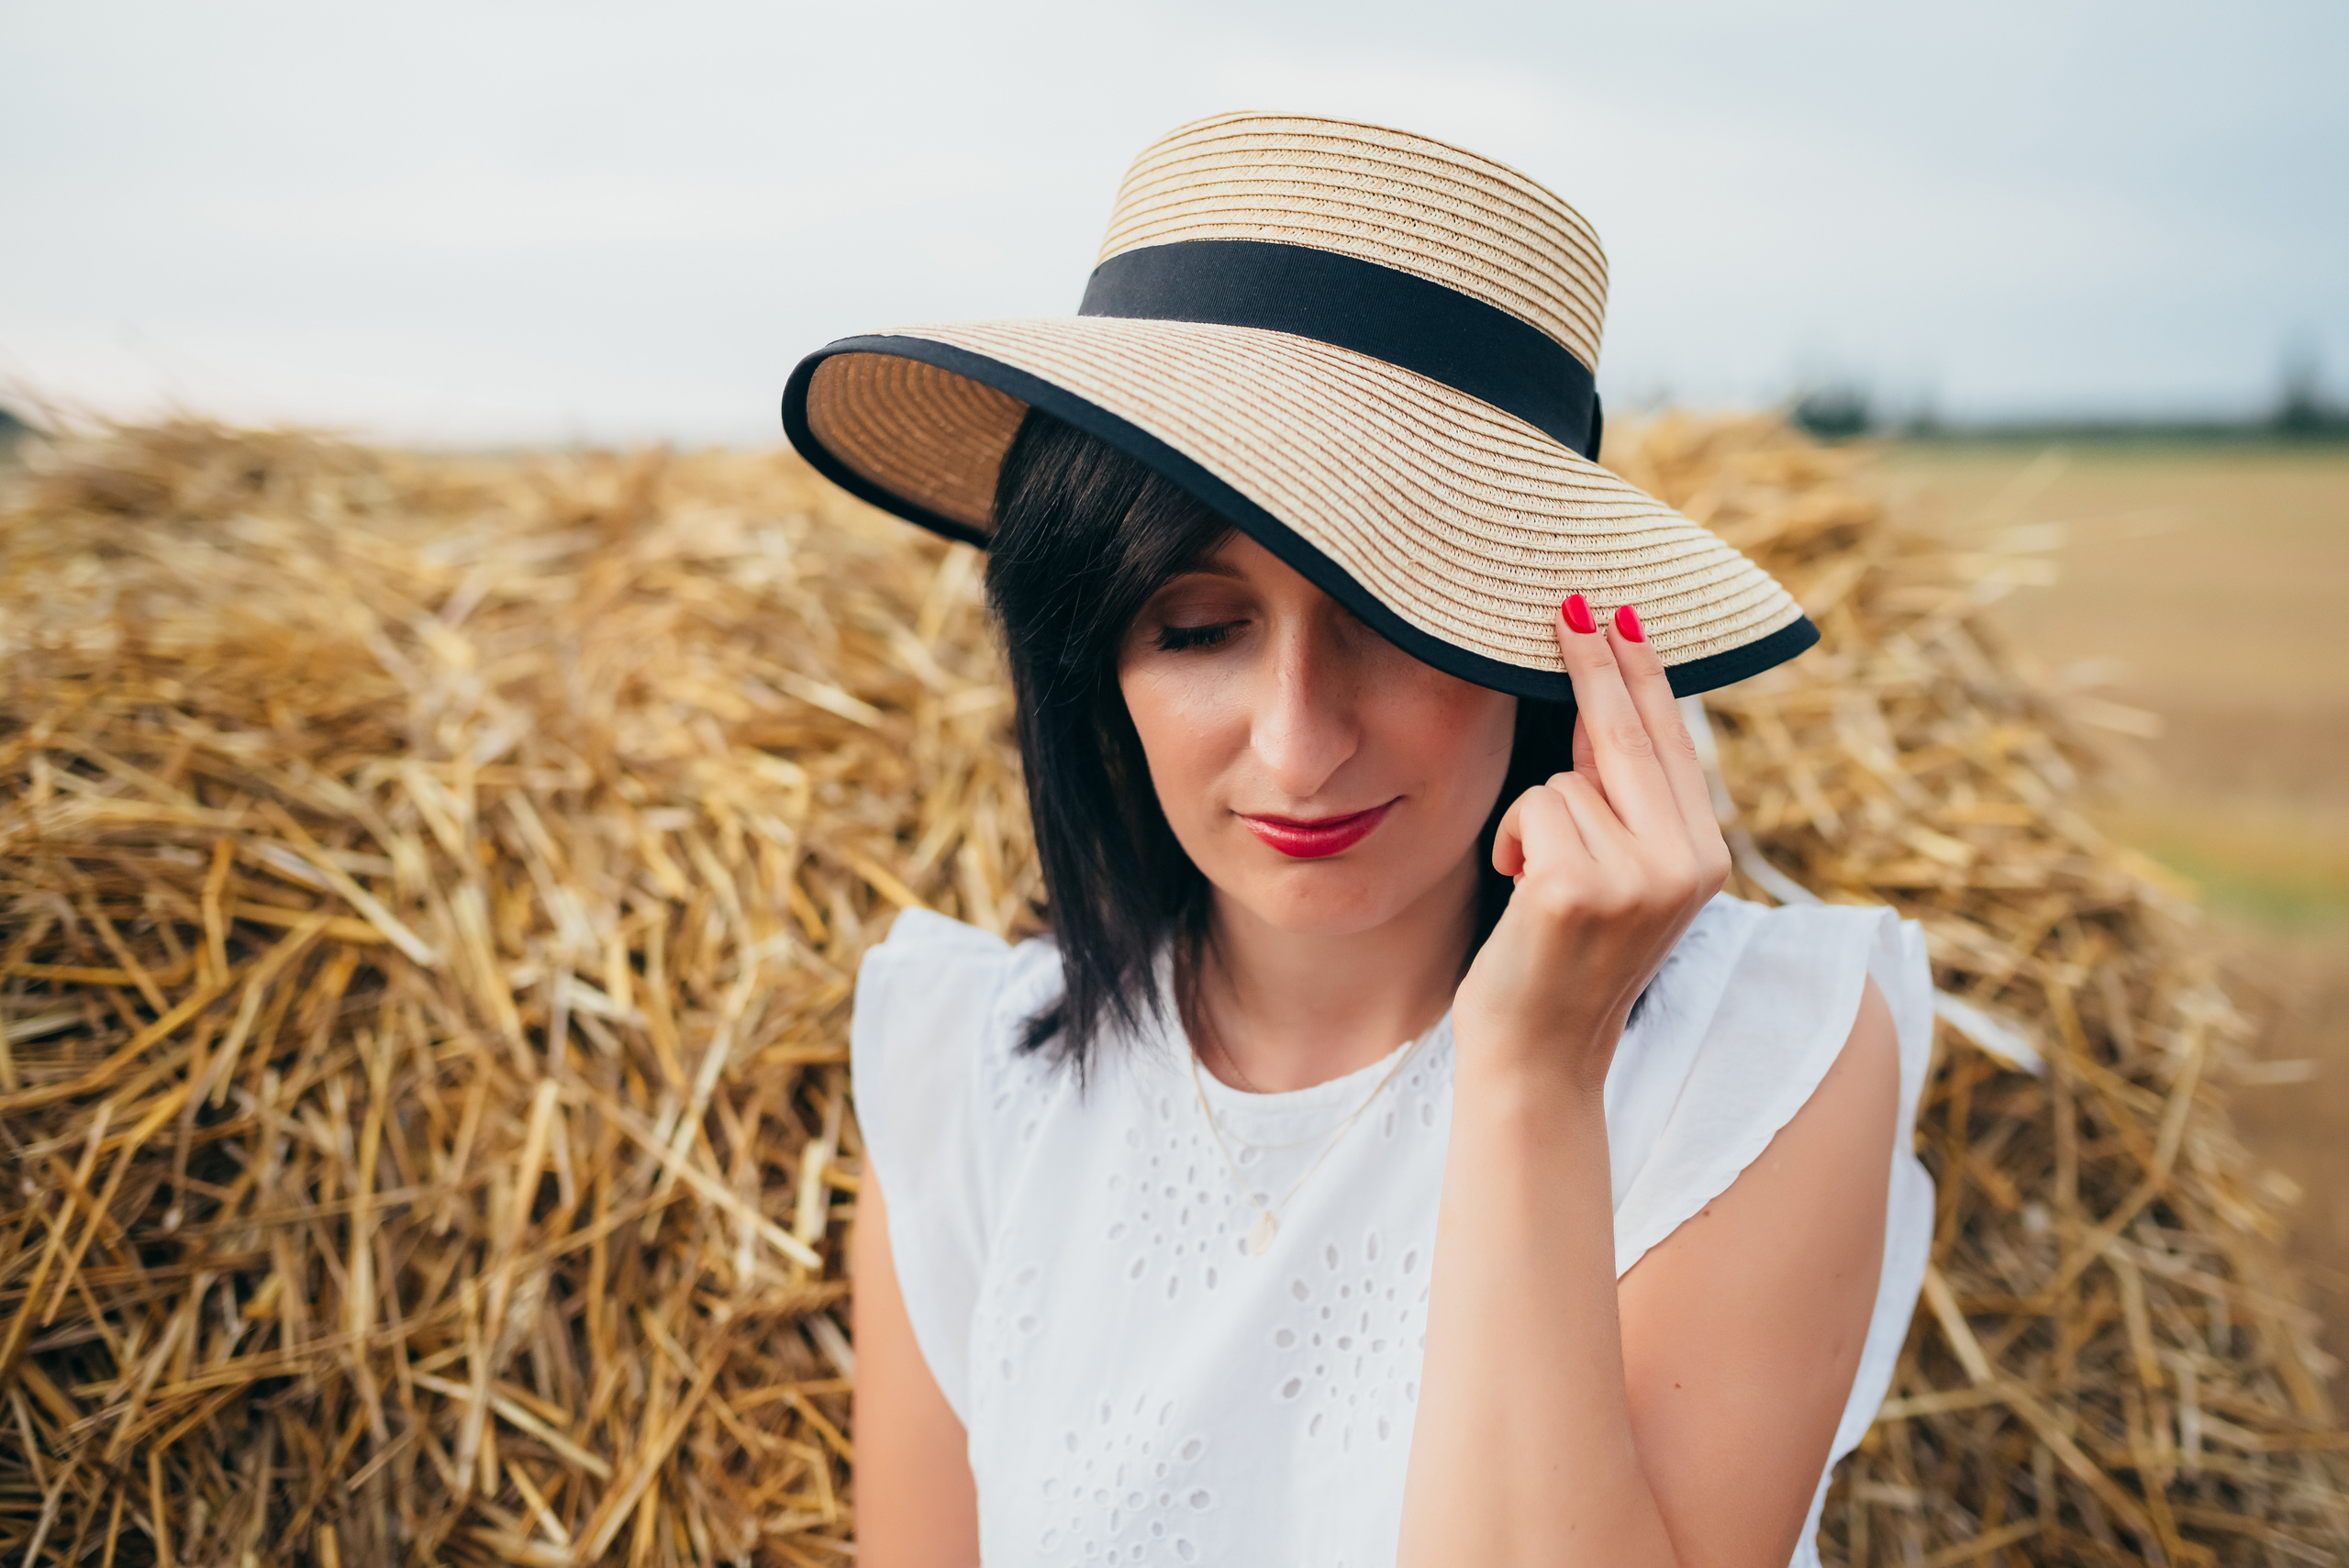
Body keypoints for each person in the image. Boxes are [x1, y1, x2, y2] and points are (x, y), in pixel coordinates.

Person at [783, 112, 1934, 1568]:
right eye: (1197, 627)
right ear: (1095, 657)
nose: (1296, 740)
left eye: (1392, 623)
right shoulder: (970, 1091)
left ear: (1541, 642)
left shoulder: (1763, 1057)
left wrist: (1530, 1069)